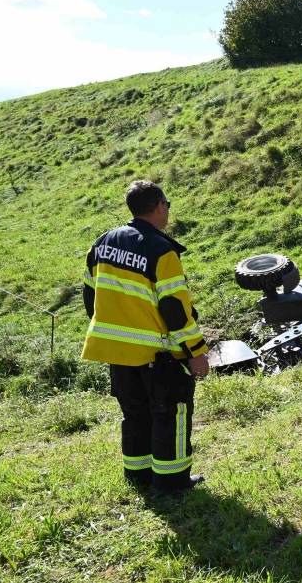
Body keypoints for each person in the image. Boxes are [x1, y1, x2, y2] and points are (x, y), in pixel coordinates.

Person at [82, 180, 210, 493]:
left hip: (116, 350)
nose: (168, 209)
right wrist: (195, 351)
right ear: (158, 207)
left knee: (135, 414)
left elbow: (89, 294)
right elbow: (175, 310)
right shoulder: (161, 250)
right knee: (172, 412)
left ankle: (138, 475)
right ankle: (172, 482)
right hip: (157, 353)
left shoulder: (102, 243)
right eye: (167, 204)